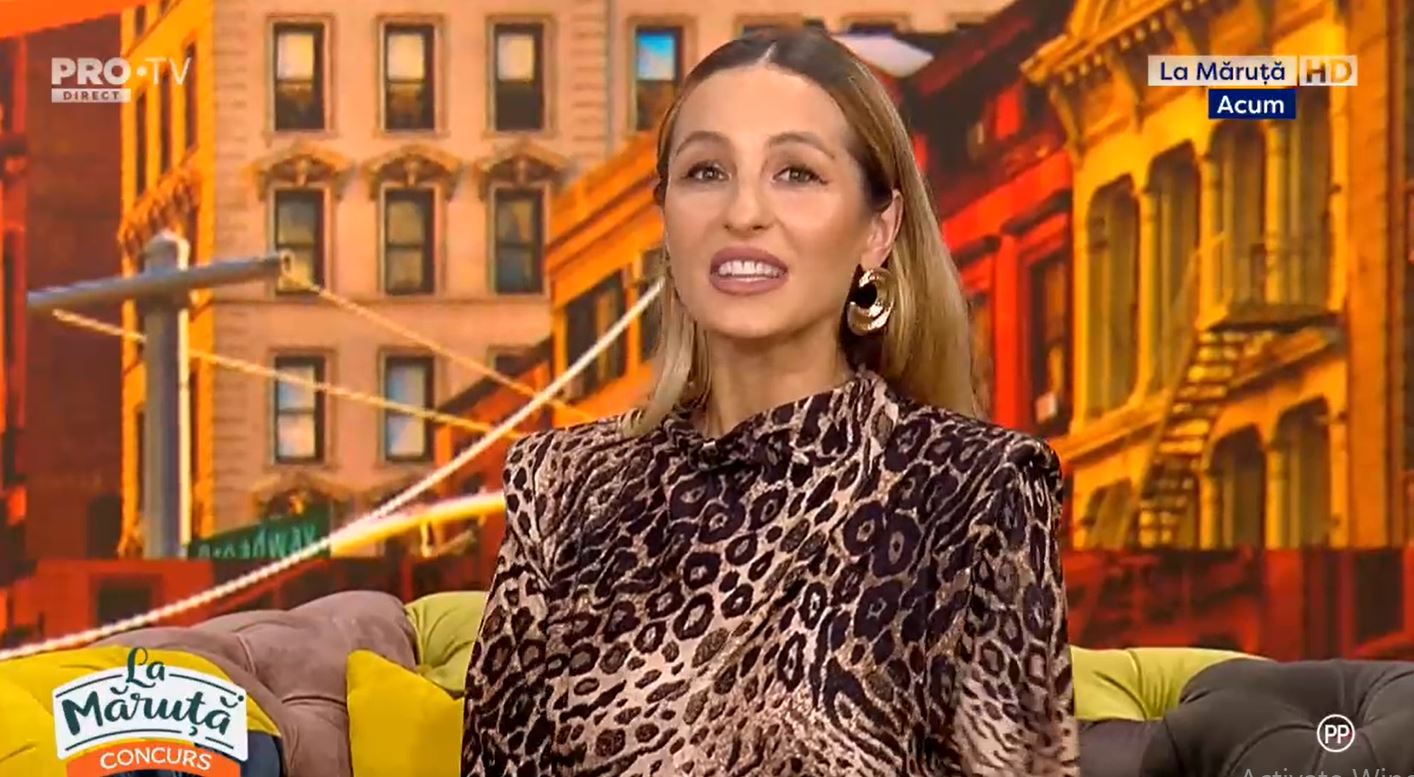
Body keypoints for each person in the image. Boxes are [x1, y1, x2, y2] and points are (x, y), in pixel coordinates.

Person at [461, 27, 1079, 777]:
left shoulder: (979, 491)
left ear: (878, 230)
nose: (744, 211)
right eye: (706, 172)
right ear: (668, 224)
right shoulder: (561, 485)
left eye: (796, 173)